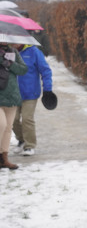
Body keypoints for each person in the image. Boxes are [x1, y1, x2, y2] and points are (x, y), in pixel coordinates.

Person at [13, 42, 54, 157]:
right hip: (13, 93)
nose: (14, 43)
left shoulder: (34, 52)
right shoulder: (8, 52)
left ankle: (29, 145)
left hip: (30, 93)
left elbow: (46, 71)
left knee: (27, 119)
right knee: (13, 120)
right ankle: (21, 139)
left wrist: (48, 89)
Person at [0, 42, 27, 170]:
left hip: (12, 95)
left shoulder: (13, 52)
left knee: (8, 128)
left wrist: (9, 63)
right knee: (1, 124)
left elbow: (23, 69)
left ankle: (4, 158)